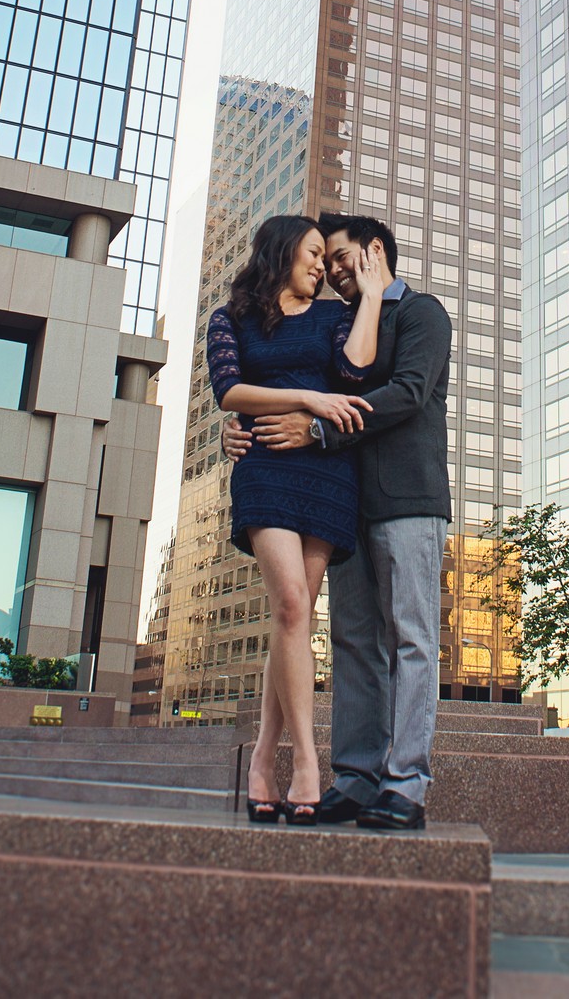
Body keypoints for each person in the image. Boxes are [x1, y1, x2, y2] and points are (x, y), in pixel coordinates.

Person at [229, 212, 452, 831]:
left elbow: (407, 392)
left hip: (408, 503)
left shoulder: (422, 313)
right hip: (346, 506)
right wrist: (240, 426)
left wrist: (319, 426)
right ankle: (356, 779)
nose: (330, 271)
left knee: (412, 640)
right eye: (323, 261)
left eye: (340, 257)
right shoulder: (345, 324)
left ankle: (406, 786)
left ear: (373, 251)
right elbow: (290, 377)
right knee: (354, 644)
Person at [204, 213, 381, 823]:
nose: (321, 266)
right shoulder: (230, 320)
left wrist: (372, 295)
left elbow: (355, 370)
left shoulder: (336, 316)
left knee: (296, 618)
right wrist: (307, 397)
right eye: (311, 254)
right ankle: (307, 762)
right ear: (281, 254)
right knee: (289, 606)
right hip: (265, 468)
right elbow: (230, 391)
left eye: (325, 258)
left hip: (326, 475)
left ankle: (260, 760)